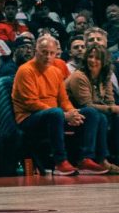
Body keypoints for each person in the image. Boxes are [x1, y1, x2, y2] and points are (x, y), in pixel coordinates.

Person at [11, 34, 107, 176]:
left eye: (52, 53)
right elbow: (30, 103)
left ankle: (86, 159)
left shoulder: (56, 71)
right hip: (29, 118)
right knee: (55, 113)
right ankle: (60, 162)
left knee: (93, 113)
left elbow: (63, 100)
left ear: (56, 53)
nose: (48, 56)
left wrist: (72, 113)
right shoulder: (25, 70)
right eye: (44, 52)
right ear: (36, 51)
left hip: (55, 116)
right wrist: (64, 115)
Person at [64, 44, 119, 174]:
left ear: (104, 61)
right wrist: (114, 108)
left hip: (92, 113)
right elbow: (86, 104)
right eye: (90, 56)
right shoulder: (79, 76)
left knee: (109, 117)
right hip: (71, 113)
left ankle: (105, 159)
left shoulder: (105, 76)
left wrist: (114, 109)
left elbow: (110, 100)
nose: (92, 60)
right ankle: (86, 158)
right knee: (96, 114)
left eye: (97, 58)